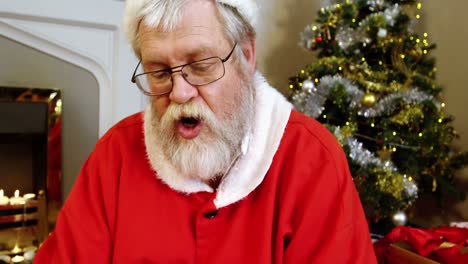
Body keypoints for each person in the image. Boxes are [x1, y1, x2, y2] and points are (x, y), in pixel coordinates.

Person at [34, 0, 377, 263]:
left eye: (200, 66)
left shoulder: (313, 160)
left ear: (246, 54)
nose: (179, 93)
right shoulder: (115, 155)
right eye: (159, 72)